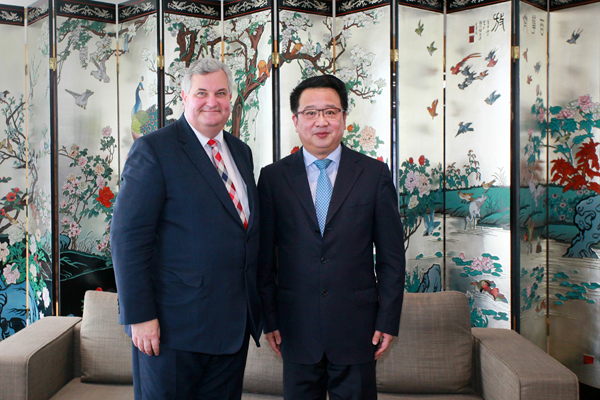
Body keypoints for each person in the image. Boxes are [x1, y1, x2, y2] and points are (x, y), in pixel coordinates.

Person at [111, 58, 262, 400]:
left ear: (230, 99)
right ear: (184, 97)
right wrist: (140, 317)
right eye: (202, 93)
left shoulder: (241, 152)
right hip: (172, 331)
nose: (212, 101)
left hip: (231, 330)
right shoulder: (154, 149)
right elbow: (127, 238)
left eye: (220, 93)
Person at [258, 74, 406, 400]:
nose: (321, 121)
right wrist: (269, 319)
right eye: (310, 113)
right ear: (296, 121)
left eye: (330, 112)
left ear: (344, 117)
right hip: (295, 327)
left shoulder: (374, 175)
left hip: (358, 328)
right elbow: (263, 259)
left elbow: (392, 257)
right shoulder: (273, 178)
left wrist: (388, 319)